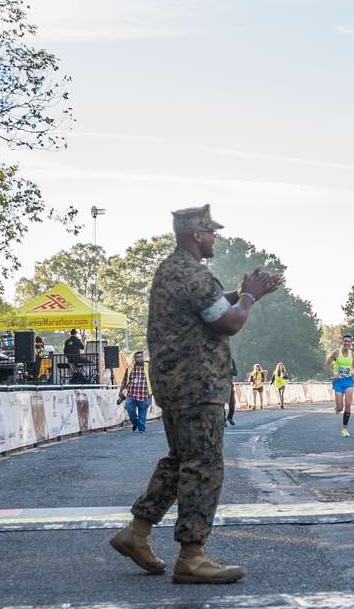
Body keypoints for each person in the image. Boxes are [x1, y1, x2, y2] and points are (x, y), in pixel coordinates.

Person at [109, 205, 282, 584]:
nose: (215, 239)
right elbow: (229, 321)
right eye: (212, 233)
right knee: (204, 467)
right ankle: (192, 555)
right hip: (197, 385)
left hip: (175, 384)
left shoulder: (174, 269)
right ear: (197, 235)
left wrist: (246, 292)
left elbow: (212, 306)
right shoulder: (194, 274)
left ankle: (136, 533)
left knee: (181, 461)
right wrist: (249, 298)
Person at [326, 332, 354, 436]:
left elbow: (353, 367)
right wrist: (332, 374)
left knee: (348, 404)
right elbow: (327, 364)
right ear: (342, 342)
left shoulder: (353, 354)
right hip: (338, 382)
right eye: (345, 341)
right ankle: (338, 409)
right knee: (340, 407)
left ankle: (344, 429)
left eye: (349, 341)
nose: (347, 343)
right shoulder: (336, 353)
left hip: (348, 380)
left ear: (351, 343)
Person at [119, 350, 153, 432]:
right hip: (131, 394)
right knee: (129, 408)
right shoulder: (130, 368)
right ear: (134, 358)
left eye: (141, 357)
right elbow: (124, 381)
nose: (139, 359)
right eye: (137, 357)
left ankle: (141, 429)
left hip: (145, 394)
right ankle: (135, 422)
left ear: (143, 357)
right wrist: (121, 393)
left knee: (142, 413)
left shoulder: (148, 367)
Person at [226, 355, 239, 427]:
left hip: (230, 384)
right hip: (220, 385)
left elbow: (236, 372)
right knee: (221, 404)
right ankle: (223, 420)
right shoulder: (217, 360)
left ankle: (230, 417)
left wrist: (230, 371)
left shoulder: (231, 360)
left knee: (232, 403)